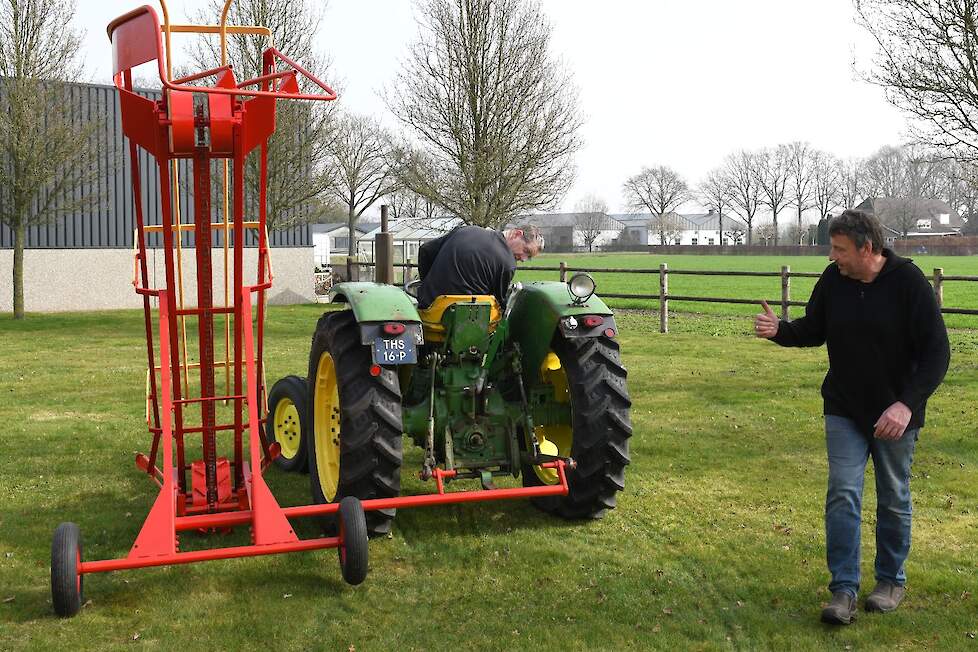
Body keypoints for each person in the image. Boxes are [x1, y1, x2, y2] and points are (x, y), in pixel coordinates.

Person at [754, 209, 949, 625]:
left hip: (895, 414)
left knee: (893, 498)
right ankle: (842, 589)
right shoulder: (834, 281)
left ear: (867, 248)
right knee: (843, 493)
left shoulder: (908, 284)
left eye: (840, 249)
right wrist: (780, 331)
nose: (832, 256)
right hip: (844, 407)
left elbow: (937, 354)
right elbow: (814, 329)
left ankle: (890, 581)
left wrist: (906, 404)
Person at [416, 225, 543, 308]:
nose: (523, 258)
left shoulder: (465, 230)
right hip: (466, 321)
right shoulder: (507, 264)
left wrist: (427, 284)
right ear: (517, 234)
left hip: (429, 308)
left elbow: (425, 250)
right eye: (526, 251)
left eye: (529, 257)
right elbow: (498, 304)